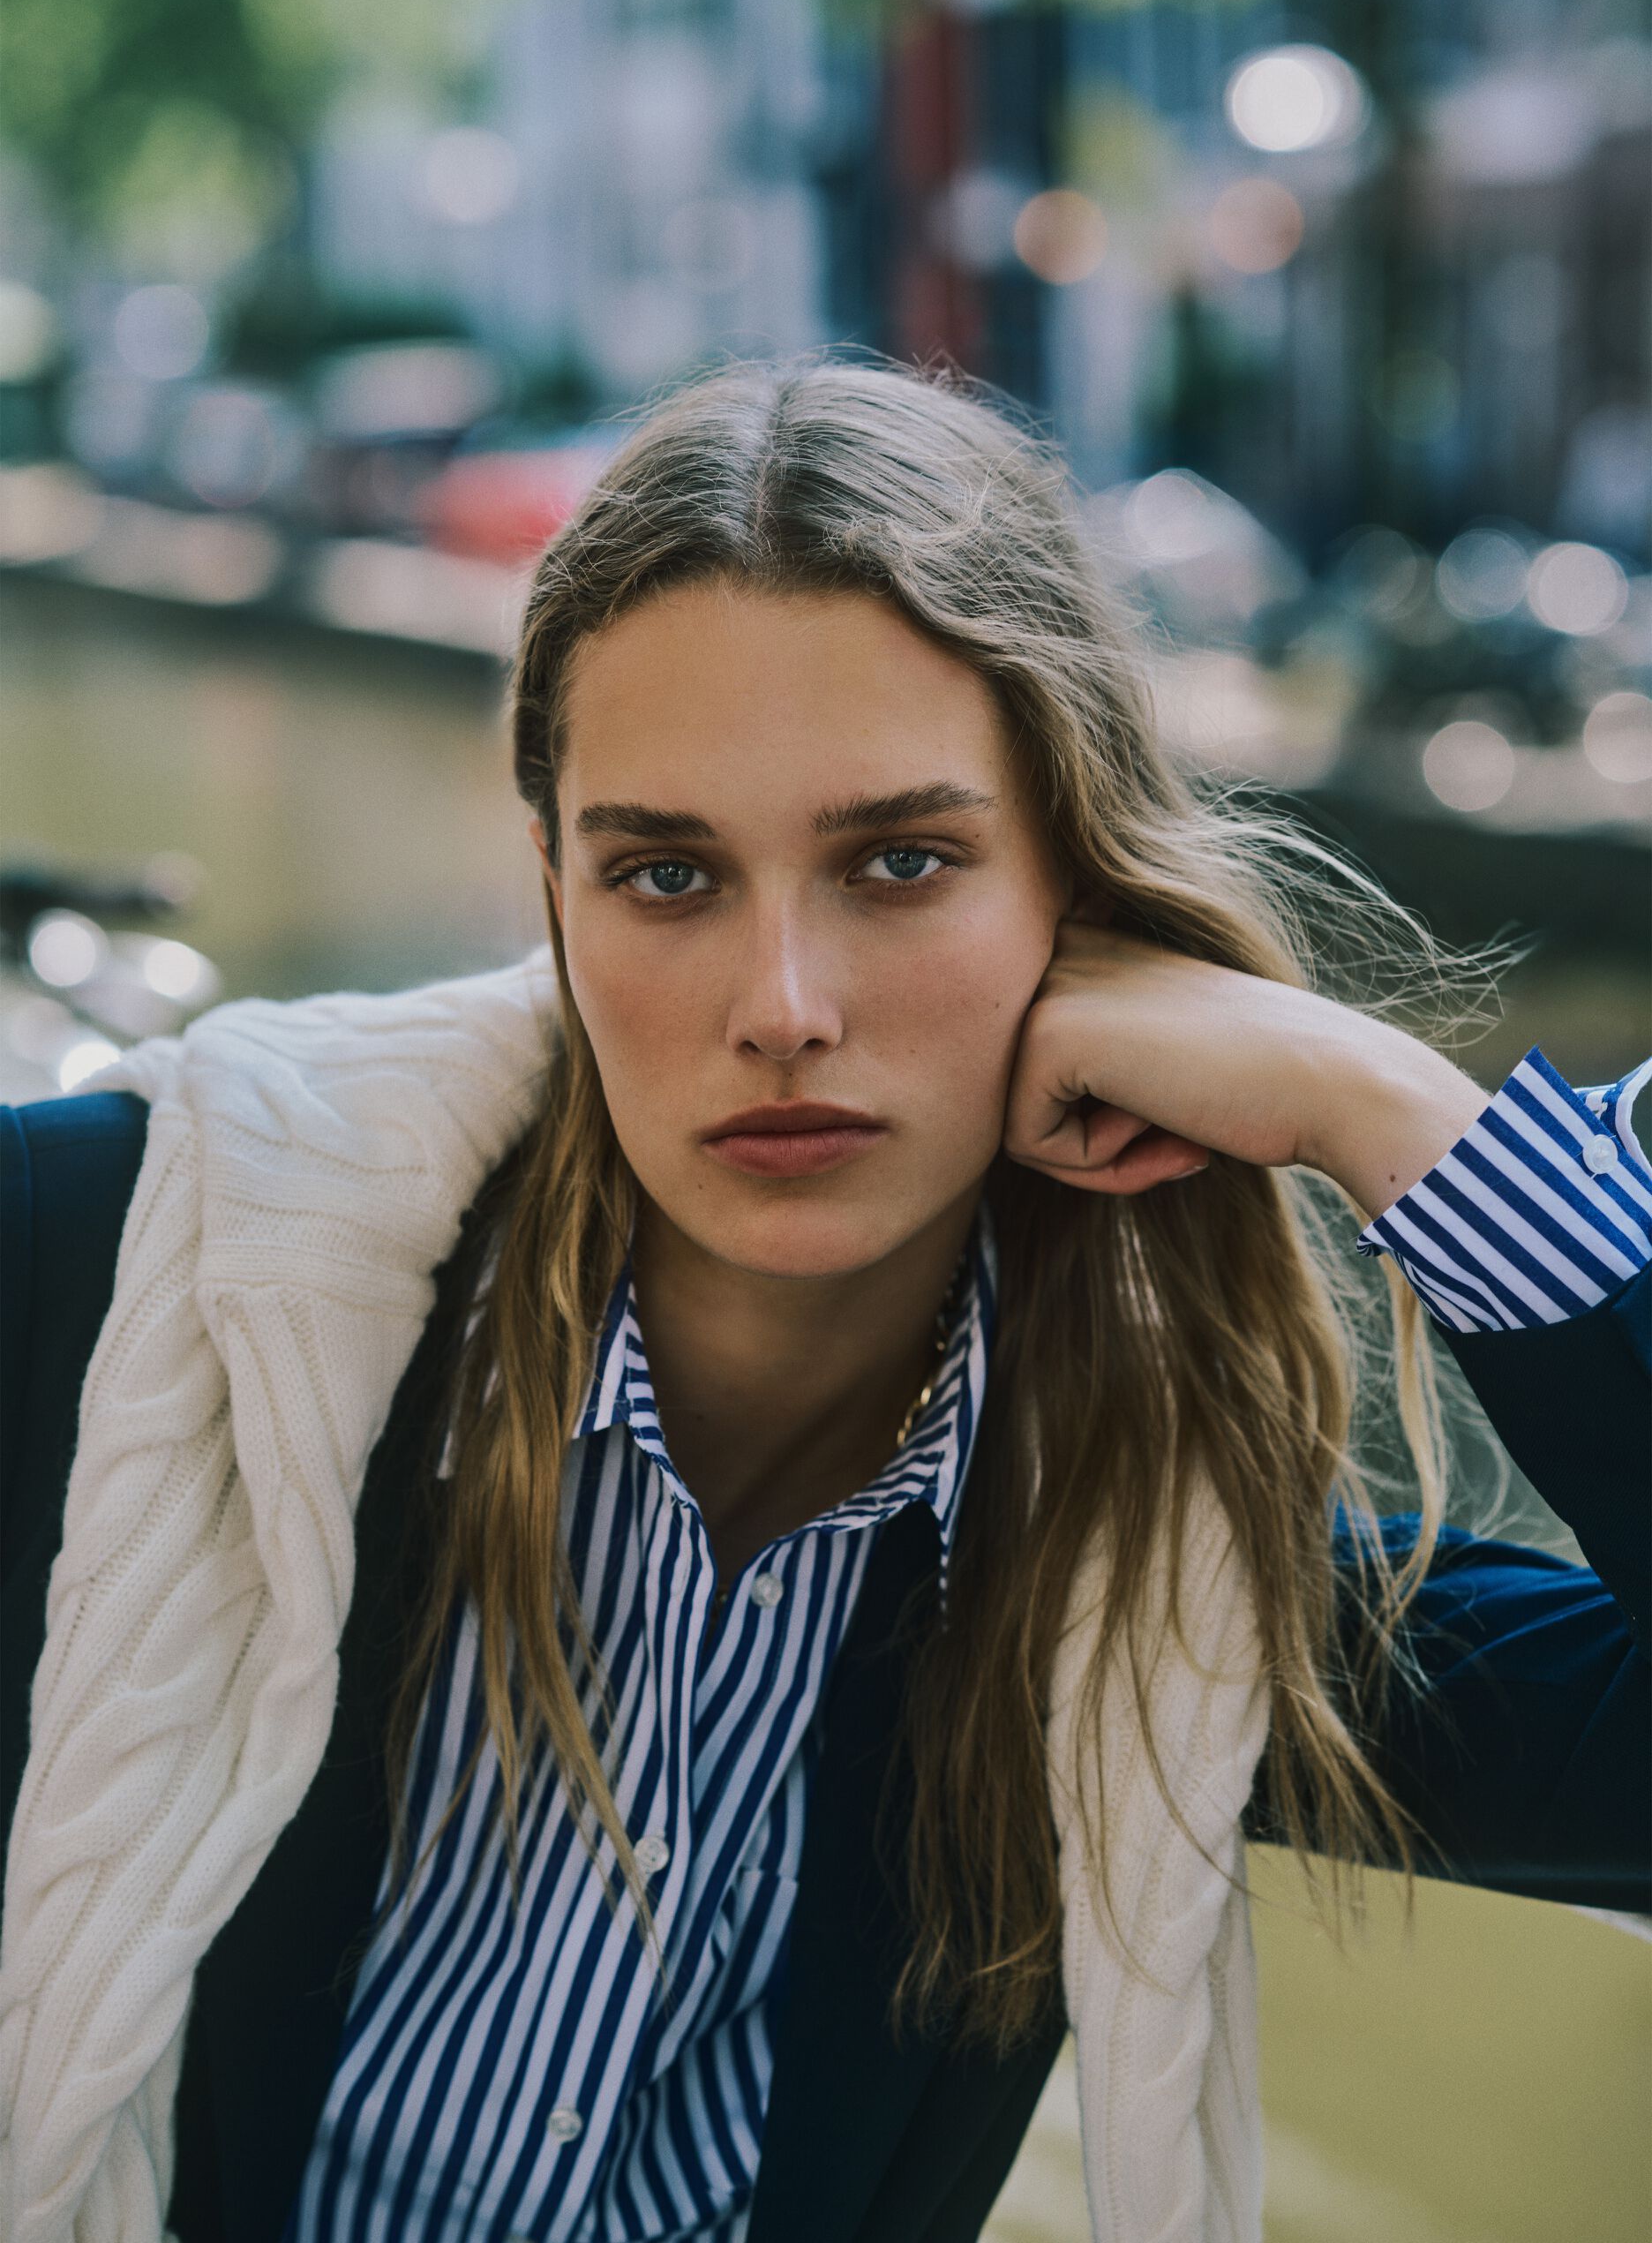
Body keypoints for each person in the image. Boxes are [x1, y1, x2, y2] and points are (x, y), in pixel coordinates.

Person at [1, 357, 1647, 2243]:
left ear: (1075, 883)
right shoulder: (111, 1283)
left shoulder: (1145, 1588)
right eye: (669, 873)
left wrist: (1397, 1114)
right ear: (552, 886)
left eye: (902, 861)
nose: (782, 1002)